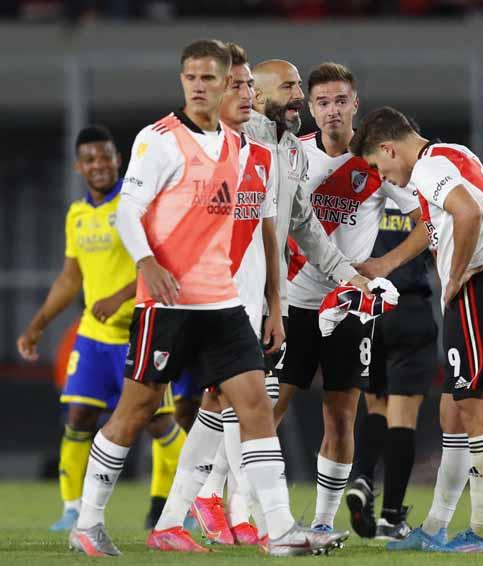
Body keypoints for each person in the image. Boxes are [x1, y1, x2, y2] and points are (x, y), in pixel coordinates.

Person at [67, 39, 337, 557]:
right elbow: (130, 210)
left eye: (211, 78)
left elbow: (260, 228)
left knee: (256, 404)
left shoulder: (241, 150)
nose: (200, 86)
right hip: (168, 303)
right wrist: (146, 263)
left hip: (222, 303)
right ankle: (89, 520)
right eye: (192, 77)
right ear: (183, 82)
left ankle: (280, 530)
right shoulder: (160, 140)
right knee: (136, 411)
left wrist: (269, 298)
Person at [352, 106, 483, 553]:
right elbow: (452, 220)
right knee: (453, 412)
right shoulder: (453, 155)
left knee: (477, 411)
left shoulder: (428, 167)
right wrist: (389, 263)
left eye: (379, 166)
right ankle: (435, 527)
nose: (384, 177)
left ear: (389, 147)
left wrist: (456, 275)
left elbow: (467, 213)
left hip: (481, 287)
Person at [275, 62, 425, 539]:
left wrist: (385, 264)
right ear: (310, 107)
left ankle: (323, 521)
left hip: (348, 306)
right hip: (292, 303)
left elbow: (427, 221)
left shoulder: (375, 160)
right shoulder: (291, 153)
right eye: (322, 102)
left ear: (355, 104)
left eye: (341, 101)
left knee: (340, 416)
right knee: (267, 408)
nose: (332, 111)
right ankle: (241, 510)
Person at [17, 125, 187, 532]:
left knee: (159, 423)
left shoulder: (138, 206)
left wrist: (119, 297)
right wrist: (37, 325)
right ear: (78, 166)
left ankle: (174, 503)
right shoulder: (77, 214)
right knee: (78, 416)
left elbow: (163, 263)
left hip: (140, 331)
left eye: (106, 156)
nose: (99, 165)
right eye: (89, 159)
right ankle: (72, 510)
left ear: (119, 160)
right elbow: (69, 279)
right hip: (94, 336)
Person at [148, 42, 282, 550]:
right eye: (237, 85)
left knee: (222, 404)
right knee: (246, 404)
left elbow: (268, 233)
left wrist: (274, 304)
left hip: (251, 297)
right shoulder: (189, 153)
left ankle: (184, 512)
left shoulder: (262, 156)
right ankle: (251, 516)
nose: (247, 94)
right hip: (210, 300)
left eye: (249, 85)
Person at [346, 195, 439, 540]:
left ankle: (362, 477)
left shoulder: (364, 189)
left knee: (375, 405)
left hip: (367, 307)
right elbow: (438, 240)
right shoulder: (424, 190)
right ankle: (391, 518)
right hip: (408, 304)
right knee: (403, 414)